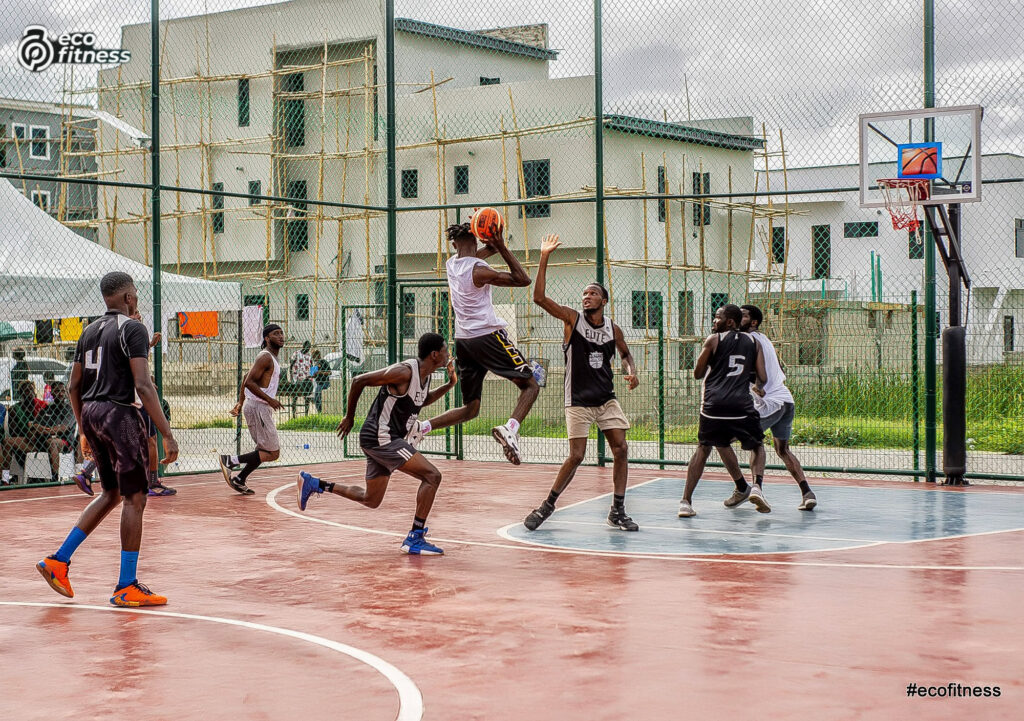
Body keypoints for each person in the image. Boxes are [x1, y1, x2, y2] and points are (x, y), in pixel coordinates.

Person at [36, 271, 179, 607]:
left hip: (91, 412)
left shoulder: (88, 331)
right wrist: (167, 434)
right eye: (136, 294)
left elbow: (73, 385)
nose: (137, 299)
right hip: (119, 414)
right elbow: (143, 384)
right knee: (135, 498)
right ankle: (126, 585)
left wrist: (83, 428)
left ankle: (58, 561)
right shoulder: (133, 328)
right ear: (128, 297)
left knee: (112, 493)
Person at [296, 332, 458, 555]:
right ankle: (415, 537)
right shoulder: (404, 372)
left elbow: (423, 400)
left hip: (382, 439)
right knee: (432, 476)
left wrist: (450, 384)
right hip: (381, 438)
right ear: (434, 354)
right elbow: (358, 380)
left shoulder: (426, 376)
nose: (449, 354)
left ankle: (315, 484)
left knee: (371, 499)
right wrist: (349, 417)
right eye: (446, 350)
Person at [523, 234, 641, 531]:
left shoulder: (613, 329)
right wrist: (544, 256)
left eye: (592, 293)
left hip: (606, 399)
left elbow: (626, 354)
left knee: (621, 449)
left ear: (604, 300)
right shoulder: (573, 320)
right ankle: (547, 506)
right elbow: (539, 298)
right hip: (577, 400)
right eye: (584, 293)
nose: (586, 296)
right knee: (576, 456)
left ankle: (617, 510)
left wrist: (631, 370)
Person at [411, 222, 538, 465]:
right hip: (487, 336)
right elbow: (523, 279)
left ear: (454, 245)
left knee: (471, 408)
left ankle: (422, 428)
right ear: (476, 240)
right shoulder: (480, 270)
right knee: (530, 385)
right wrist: (500, 245)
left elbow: (476, 255)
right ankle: (511, 428)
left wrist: (492, 240)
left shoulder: (452, 264)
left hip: (464, 341)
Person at [678, 304, 768, 518]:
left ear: (729, 322)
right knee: (757, 445)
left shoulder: (714, 340)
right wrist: (756, 384)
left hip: (714, 406)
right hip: (741, 406)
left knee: (703, 449)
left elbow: (698, 374)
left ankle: (686, 502)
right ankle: (755, 487)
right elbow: (762, 377)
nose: (713, 321)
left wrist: (712, 359)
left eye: (717, 317)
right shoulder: (753, 342)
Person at [740, 305, 817, 511]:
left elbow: (759, 371)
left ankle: (755, 488)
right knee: (782, 450)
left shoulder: (748, 340)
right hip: (785, 399)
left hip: (771, 402)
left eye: (743, 316)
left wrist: (759, 385)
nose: (739, 317)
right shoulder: (764, 338)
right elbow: (780, 368)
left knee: (746, 440)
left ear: (753, 322)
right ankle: (807, 493)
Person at [218, 324, 284, 495]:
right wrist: (270, 400)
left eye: (281, 333)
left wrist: (240, 403)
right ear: (267, 338)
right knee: (273, 452)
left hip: (257, 407)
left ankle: (240, 479)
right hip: (258, 407)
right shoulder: (266, 357)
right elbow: (249, 382)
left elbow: (246, 378)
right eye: (275, 334)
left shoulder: (270, 357)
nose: (280, 336)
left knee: (264, 450)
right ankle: (230, 461)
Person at [30, 380, 76, 482]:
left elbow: (63, 428)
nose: (60, 394)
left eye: (63, 391)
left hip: (63, 441)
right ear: (52, 393)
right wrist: (46, 430)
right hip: (42, 441)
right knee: (9, 442)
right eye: (57, 391)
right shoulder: (47, 409)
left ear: (66, 393)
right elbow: (34, 425)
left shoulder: (70, 409)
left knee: (52, 442)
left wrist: (45, 430)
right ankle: (6, 478)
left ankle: (55, 478)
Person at [2, 380, 47, 481]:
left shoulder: (42, 406)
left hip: (42, 441)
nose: (30, 393)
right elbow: (14, 433)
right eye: (26, 391)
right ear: (21, 393)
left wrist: (35, 429)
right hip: (25, 441)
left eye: (31, 390)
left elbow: (46, 426)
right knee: (7, 442)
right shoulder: (15, 409)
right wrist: (30, 431)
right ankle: (5, 479)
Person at [309, 348, 331, 413]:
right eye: (312, 356)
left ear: (318, 355)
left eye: (314, 356)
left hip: (324, 383)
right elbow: (314, 375)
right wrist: (311, 375)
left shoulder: (324, 362)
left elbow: (330, 372)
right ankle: (320, 411)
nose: (313, 358)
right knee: (317, 398)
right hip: (318, 383)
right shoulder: (315, 364)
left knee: (317, 398)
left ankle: (320, 411)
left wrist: (320, 372)